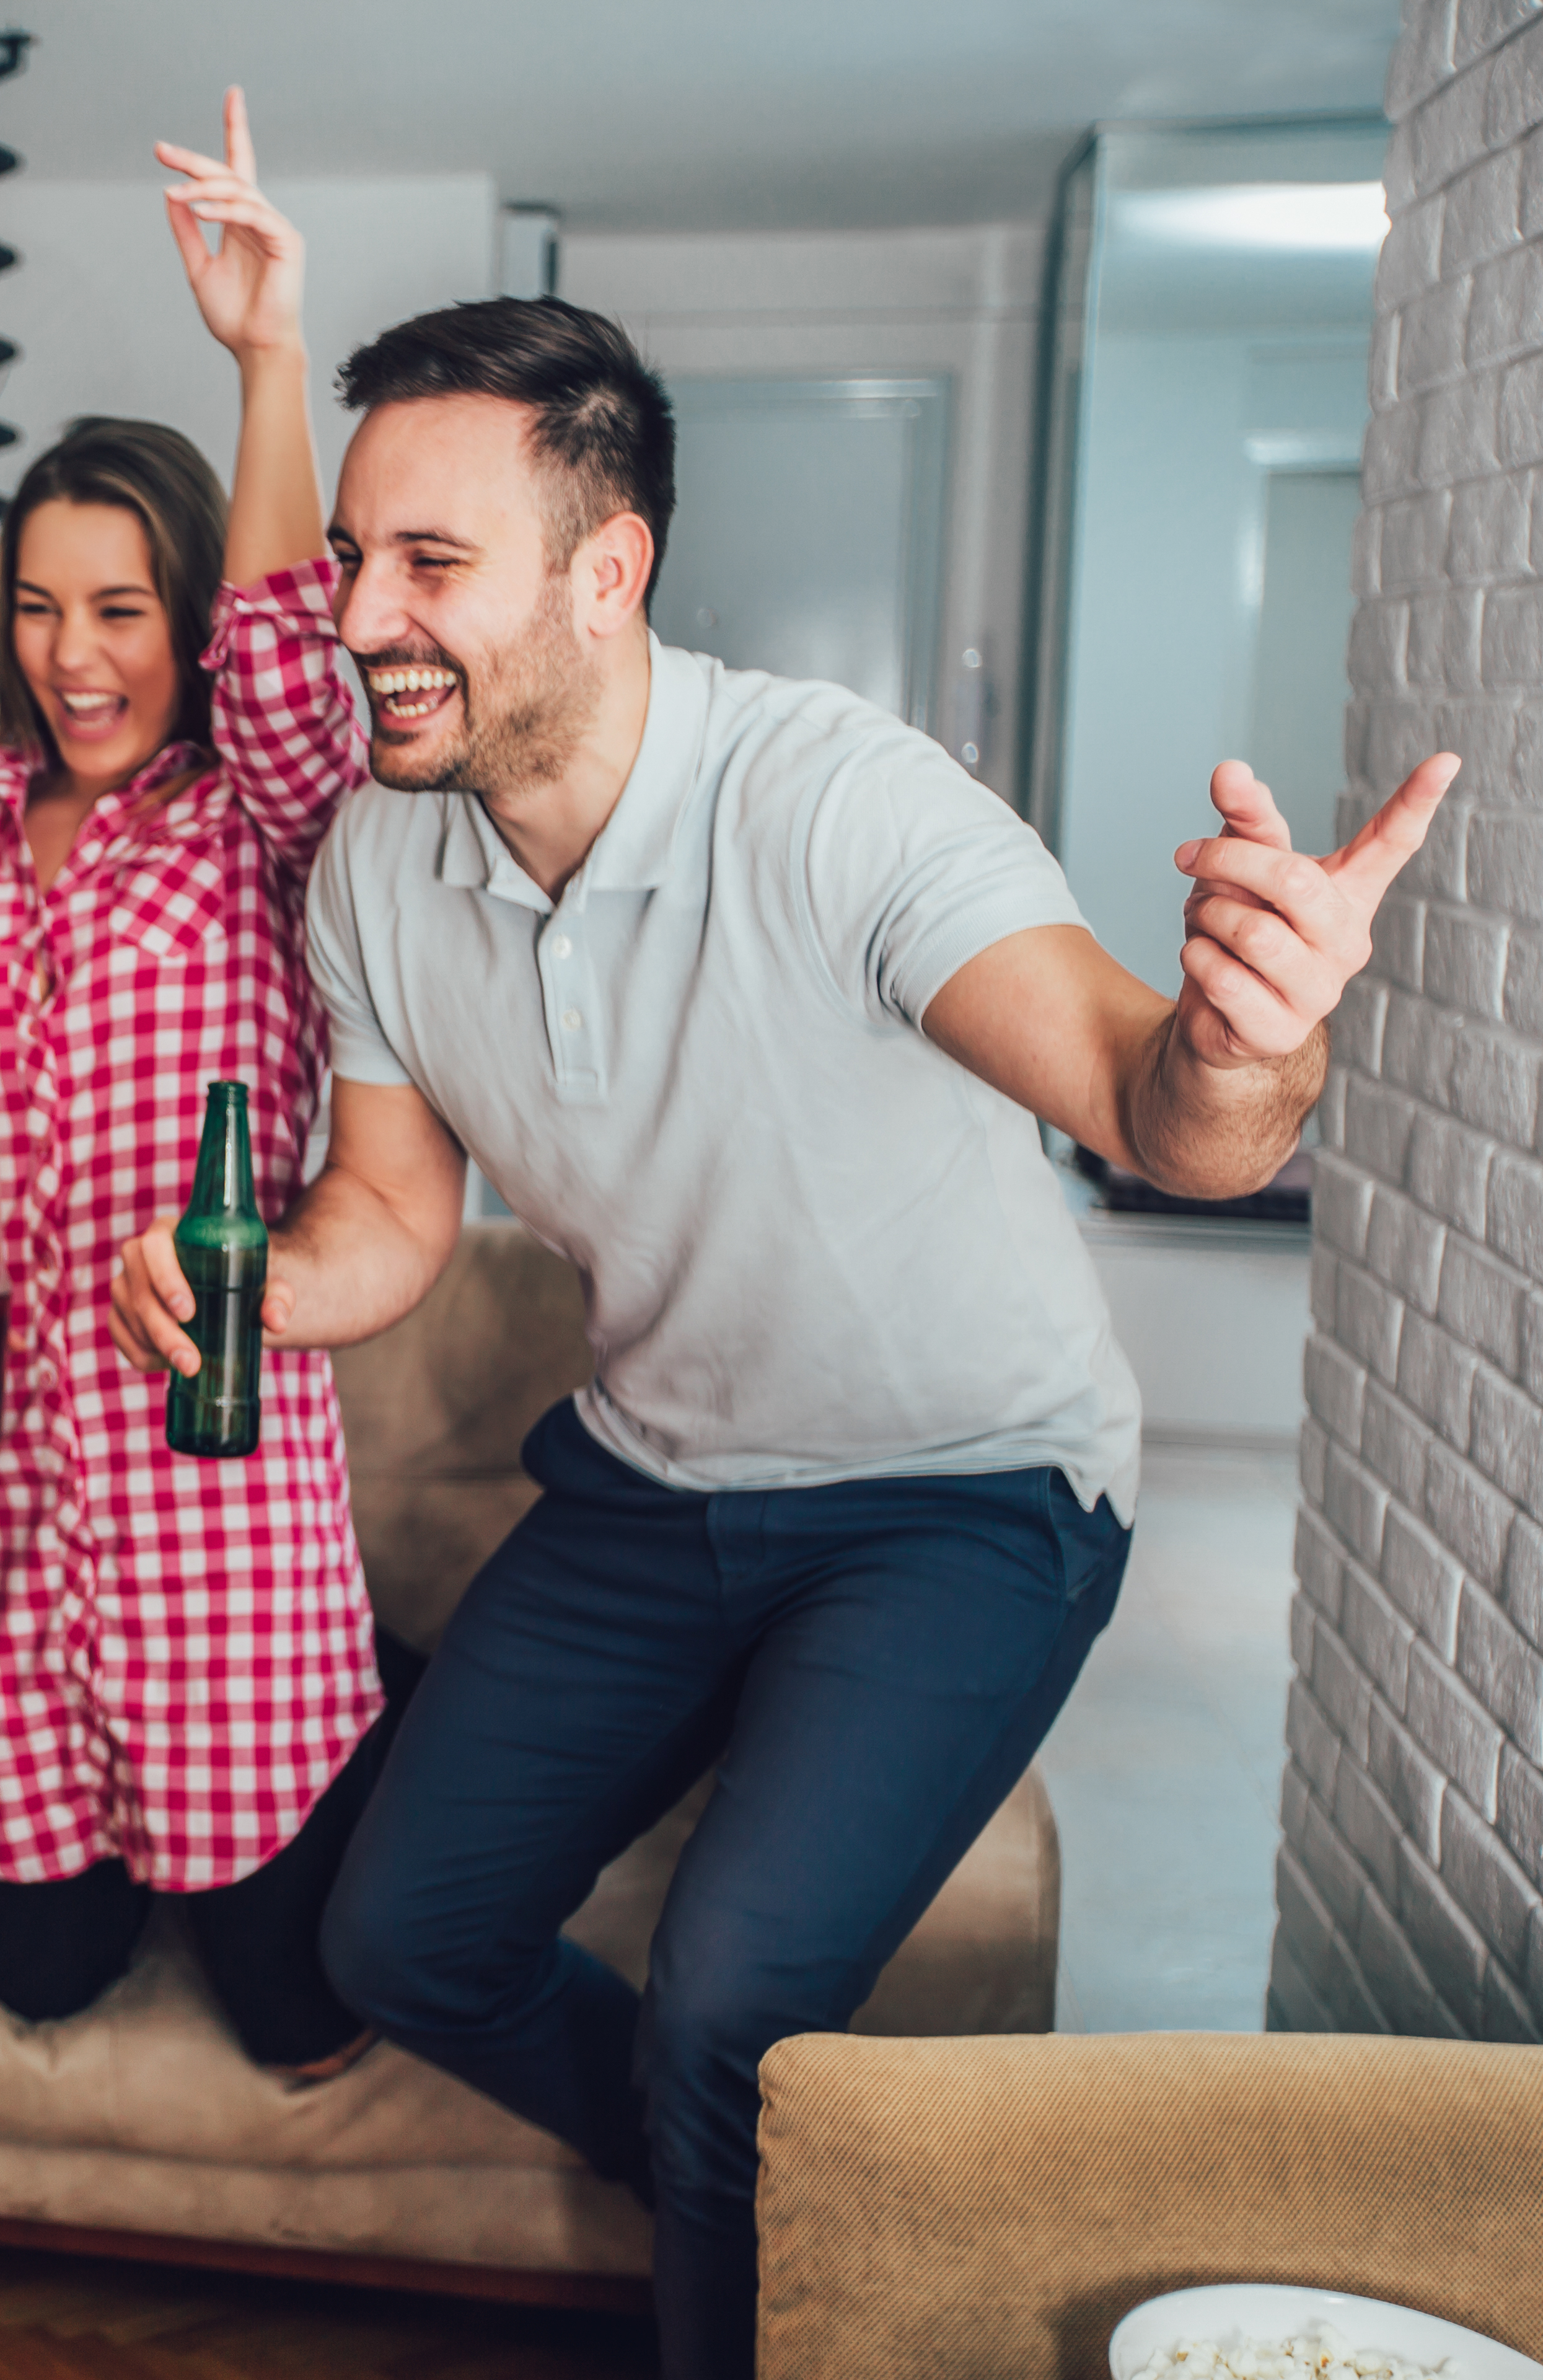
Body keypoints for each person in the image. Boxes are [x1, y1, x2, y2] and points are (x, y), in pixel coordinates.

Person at [103, 286, 1452, 2372]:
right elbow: (382, 1216)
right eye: (356, 555)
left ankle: (737, 2193)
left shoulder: (834, 800)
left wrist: (1248, 1051)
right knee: (396, 1934)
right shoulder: (375, 863)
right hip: (654, 1479)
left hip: (962, 1496)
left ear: (605, 572)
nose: (356, 610)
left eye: (427, 564)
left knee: (735, 2002)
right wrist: (251, 1284)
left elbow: (1144, 1105)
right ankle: (752, 2186)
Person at [0, 98, 392, 2070]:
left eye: (120, 608)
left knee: (297, 2016)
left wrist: (265, 363)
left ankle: (374, 1698)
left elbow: (287, 655)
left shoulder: (264, 815)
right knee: (43, 1979)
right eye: (37, 606)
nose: (72, 658)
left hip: (210, 1509)